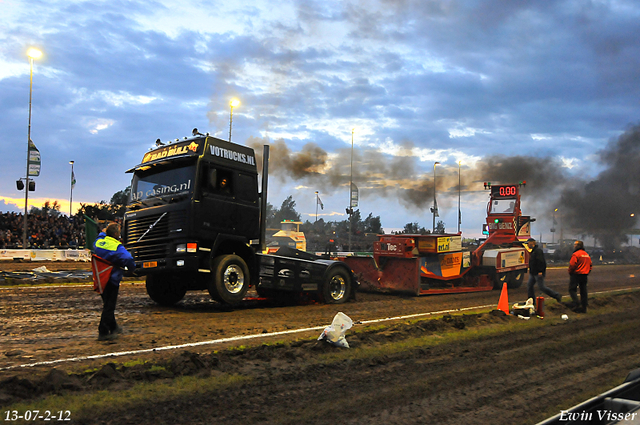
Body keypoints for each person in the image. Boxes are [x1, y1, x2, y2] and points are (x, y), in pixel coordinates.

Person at [94, 223, 135, 341]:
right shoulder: (117, 246)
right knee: (109, 306)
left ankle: (114, 327)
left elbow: (100, 236)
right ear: (116, 234)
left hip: (100, 277)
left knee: (107, 303)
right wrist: (131, 269)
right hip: (112, 278)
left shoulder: (98, 242)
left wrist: (103, 232)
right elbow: (128, 258)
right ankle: (103, 331)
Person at [526, 238, 562, 303]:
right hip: (533, 273)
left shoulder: (538, 251)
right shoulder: (534, 251)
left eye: (528, 243)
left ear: (532, 243)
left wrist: (540, 271)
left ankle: (557, 295)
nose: (527, 245)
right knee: (529, 286)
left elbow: (541, 262)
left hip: (537, 273)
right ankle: (531, 301)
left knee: (542, 287)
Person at [568, 240, 592, 313]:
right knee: (583, 290)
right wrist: (587, 272)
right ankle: (584, 306)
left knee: (572, 289)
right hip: (584, 275)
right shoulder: (586, 255)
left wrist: (570, 272)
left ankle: (577, 303)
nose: (574, 246)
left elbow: (572, 265)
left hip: (576, 274)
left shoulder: (576, 254)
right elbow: (590, 265)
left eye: (575, 244)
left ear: (578, 246)